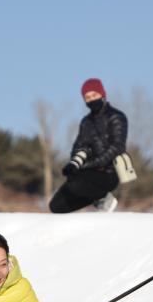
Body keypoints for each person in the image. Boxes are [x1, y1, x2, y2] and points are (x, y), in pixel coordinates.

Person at [49, 77, 127, 213]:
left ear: (102, 94)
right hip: (87, 173)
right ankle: (95, 201)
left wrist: (90, 165)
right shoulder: (86, 122)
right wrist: (74, 164)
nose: (91, 100)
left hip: (109, 173)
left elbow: (117, 147)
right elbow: (79, 147)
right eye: (87, 97)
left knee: (77, 182)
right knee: (56, 206)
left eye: (94, 95)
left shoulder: (116, 117)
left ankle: (103, 198)